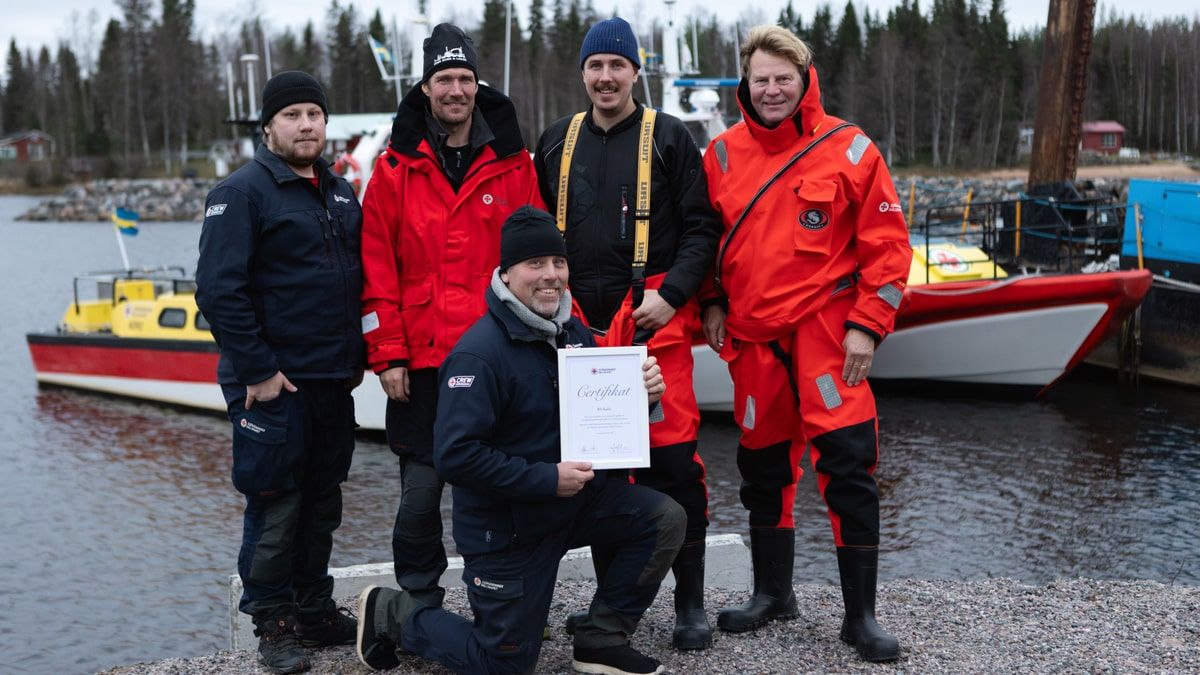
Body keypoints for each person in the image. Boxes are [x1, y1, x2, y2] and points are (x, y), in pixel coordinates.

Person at [355, 206, 685, 675]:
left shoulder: (574, 335)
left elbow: (597, 426)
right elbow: (455, 457)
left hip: (570, 506)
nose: (551, 275)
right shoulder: (477, 355)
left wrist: (642, 399)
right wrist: (547, 479)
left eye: (559, 262)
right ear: (506, 274)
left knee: (664, 517)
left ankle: (601, 638)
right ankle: (391, 611)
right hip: (507, 529)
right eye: (535, 264)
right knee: (504, 665)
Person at [699, 26, 911, 663]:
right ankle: (773, 594)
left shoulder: (851, 149)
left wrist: (868, 325)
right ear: (745, 82)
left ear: (805, 78)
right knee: (763, 471)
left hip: (827, 335)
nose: (772, 90)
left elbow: (889, 250)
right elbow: (701, 241)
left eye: (783, 78)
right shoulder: (721, 156)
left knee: (848, 467)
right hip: (755, 341)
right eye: (761, 79)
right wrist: (710, 301)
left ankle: (861, 616)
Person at [533, 16, 721, 651]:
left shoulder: (669, 138)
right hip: (580, 336)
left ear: (636, 72)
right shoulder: (555, 142)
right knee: (601, 471)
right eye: (596, 66)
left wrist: (675, 295)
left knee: (674, 464)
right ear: (582, 73)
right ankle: (613, 606)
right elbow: (535, 233)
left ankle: (690, 604)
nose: (606, 77)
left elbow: (702, 229)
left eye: (617, 65)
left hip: (651, 324)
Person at [360, 23, 542, 610]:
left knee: (498, 490)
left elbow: (537, 261)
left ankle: (503, 603)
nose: (456, 89)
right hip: (422, 362)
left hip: (498, 358)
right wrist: (387, 354)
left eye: (465, 78)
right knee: (420, 495)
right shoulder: (393, 169)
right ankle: (419, 605)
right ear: (426, 88)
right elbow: (376, 271)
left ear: (476, 84)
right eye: (444, 79)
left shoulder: (513, 165)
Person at [195, 70, 364, 674]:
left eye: (314, 114)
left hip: (330, 380)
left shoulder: (339, 192)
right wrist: (258, 369)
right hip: (272, 384)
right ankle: (275, 623)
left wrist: (357, 359)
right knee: (276, 503)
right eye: (292, 115)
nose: (305, 125)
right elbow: (218, 292)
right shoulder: (241, 193)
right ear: (269, 127)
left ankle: (313, 610)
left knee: (322, 500)